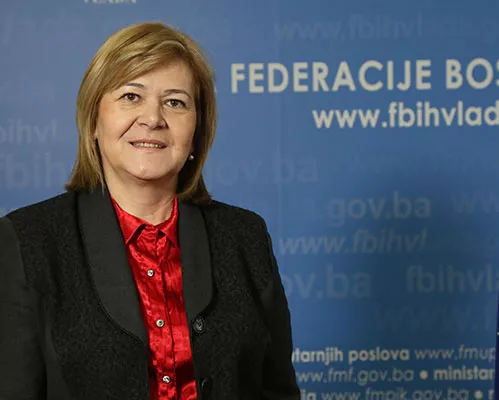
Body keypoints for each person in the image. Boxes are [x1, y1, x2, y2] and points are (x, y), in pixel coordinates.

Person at [0, 21, 300, 400]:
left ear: (196, 132)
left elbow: (277, 391)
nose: (153, 118)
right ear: (94, 121)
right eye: (131, 96)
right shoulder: (28, 241)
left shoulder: (245, 236)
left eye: (175, 102)